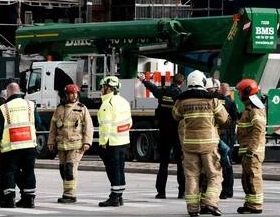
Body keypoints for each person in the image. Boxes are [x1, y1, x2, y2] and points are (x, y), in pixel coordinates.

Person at [172, 70, 229, 217]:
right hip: (209, 144)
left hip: (189, 143)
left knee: (191, 175)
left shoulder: (181, 101)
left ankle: (192, 208)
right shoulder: (212, 99)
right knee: (214, 175)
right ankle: (210, 202)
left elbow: (176, 116)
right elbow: (224, 119)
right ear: (203, 82)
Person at [139, 72, 185, 199]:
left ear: (171, 81)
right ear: (182, 82)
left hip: (164, 131)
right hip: (177, 133)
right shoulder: (181, 96)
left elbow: (153, 88)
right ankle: (182, 191)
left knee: (163, 163)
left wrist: (144, 81)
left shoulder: (163, 92)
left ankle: (161, 192)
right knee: (181, 163)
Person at [49, 83, 92, 203]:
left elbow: (89, 127)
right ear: (66, 95)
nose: (73, 96)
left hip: (76, 145)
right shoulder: (59, 109)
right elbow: (53, 127)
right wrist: (50, 142)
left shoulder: (82, 108)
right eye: (71, 93)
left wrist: (87, 142)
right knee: (63, 169)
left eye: (75, 93)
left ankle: (70, 195)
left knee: (69, 168)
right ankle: (67, 192)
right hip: (62, 145)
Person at [0, 82, 38, 208]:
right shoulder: (30, 105)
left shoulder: (5, 108)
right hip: (29, 145)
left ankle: (10, 200)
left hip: (11, 147)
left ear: (9, 92)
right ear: (19, 91)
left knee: (9, 172)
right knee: (29, 172)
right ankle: (29, 200)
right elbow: (38, 122)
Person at [97, 75, 132, 207]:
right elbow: (129, 122)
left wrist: (103, 142)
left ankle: (114, 197)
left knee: (113, 169)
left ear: (108, 88)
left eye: (103, 87)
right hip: (123, 140)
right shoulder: (124, 101)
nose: (101, 89)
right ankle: (119, 195)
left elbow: (106, 125)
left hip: (112, 142)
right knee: (120, 169)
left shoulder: (107, 103)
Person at [235, 79, 266, 214]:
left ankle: (256, 205)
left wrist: (251, 150)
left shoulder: (255, 109)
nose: (239, 95)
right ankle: (250, 203)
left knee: (253, 177)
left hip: (252, 152)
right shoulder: (249, 108)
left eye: (240, 92)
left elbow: (258, 129)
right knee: (247, 179)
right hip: (248, 151)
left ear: (246, 92)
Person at [217, 82, 240, 200]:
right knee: (227, 162)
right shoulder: (231, 102)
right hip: (228, 135)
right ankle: (228, 190)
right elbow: (235, 119)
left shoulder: (214, 100)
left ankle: (221, 190)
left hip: (218, 135)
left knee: (217, 163)